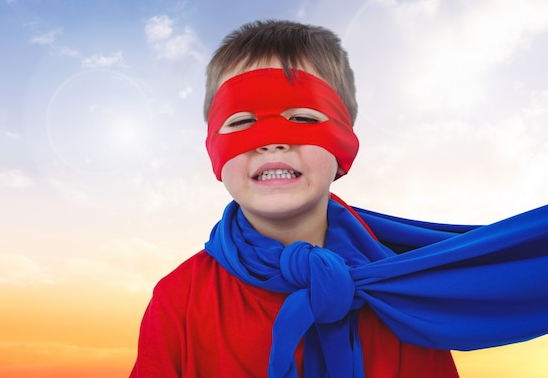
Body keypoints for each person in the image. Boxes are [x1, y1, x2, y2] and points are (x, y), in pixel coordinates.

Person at [130, 20, 548, 378]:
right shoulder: (178, 301)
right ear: (214, 151)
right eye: (242, 120)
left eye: (302, 118)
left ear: (343, 143)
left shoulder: (400, 293)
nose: (273, 141)